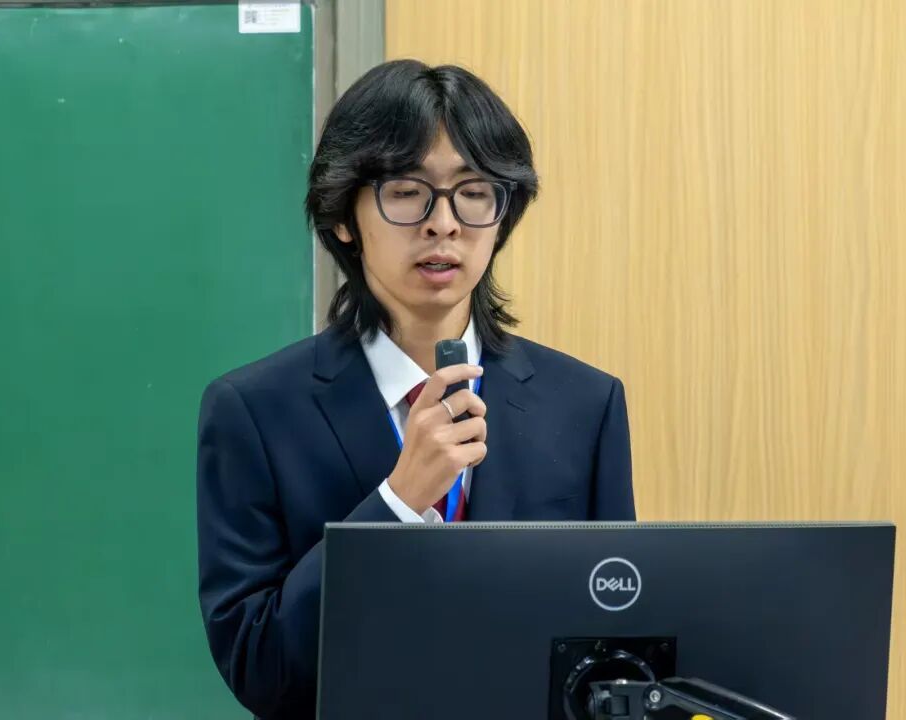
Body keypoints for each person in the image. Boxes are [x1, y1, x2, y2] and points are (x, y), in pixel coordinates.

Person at [196, 59, 636, 719]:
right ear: (344, 217)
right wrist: (397, 503)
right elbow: (261, 669)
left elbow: (616, 649)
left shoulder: (585, 406)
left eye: (474, 191)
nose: (444, 223)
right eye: (407, 191)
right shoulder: (254, 413)